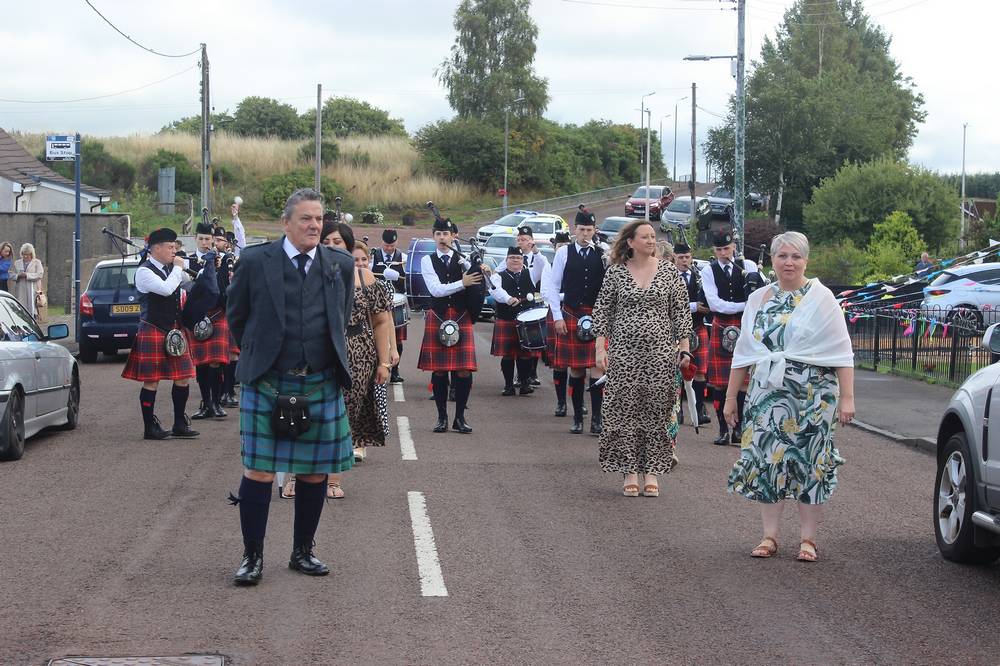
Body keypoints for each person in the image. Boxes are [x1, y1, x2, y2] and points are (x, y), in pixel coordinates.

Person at [226, 188, 355, 586]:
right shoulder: (254, 260)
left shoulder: (341, 264)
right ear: (286, 223)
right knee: (259, 471)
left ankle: (303, 551)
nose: (314, 225)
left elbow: (342, 315)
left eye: (318, 219)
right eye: (306, 219)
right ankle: (252, 557)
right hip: (267, 379)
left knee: (315, 473)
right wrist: (261, 355)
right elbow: (237, 316)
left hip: (318, 379)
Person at [725, 231, 855, 563]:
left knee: (810, 464)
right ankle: (769, 536)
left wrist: (847, 398)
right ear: (772, 260)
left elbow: (842, 352)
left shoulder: (822, 297)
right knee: (769, 461)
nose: (789, 262)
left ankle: (808, 540)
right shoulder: (758, 299)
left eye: (796, 256)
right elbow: (744, 353)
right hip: (766, 395)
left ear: (806, 260)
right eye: (782, 256)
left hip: (814, 398)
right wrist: (729, 399)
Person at [592, 220, 692, 497]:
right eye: (645, 237)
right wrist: (601, 349)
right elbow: (603, 314)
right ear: (630, 242)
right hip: (624, 353)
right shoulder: (615, 273)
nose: (651, 240)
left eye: (653, 236)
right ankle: (630, 472)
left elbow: (681, 313)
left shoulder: (670, 271)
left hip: (661, 354)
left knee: (657, 411)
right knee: (625, 411)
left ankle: (653, 472)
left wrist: (684, 349)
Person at [328, 236, 394, 497]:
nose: (334, 245)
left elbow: (381, 321)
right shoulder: (310, 272)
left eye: (338, 241)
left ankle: (333, 480)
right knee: (308, 412)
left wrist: (385, 361)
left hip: (357, 351)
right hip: (319, 348)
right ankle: (299, 477)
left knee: (343, 416)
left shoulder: (365, 277)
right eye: (328, 240)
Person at [121, 228, 200, 440]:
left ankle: (179, 423)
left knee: (183, 376)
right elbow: (166, 289)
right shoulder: (144, 271)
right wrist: (177, 268)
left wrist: (205, 270)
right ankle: (150, 426)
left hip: (174, 329)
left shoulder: (169, 268)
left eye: (175, 247)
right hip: (153, 329)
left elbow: (188, 285)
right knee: (152, 380)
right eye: (170, 247)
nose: (174, 251)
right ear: (156, 248)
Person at [541, 208, 606, 435]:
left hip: (598, 316)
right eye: (581, 230)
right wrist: (557, 317)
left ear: (594, 230)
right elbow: (553, 287)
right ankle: (577, 417)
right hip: (571, 313)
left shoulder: (603, 253)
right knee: (577, 371)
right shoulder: (563, 253)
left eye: (589, 230)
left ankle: (597, 419)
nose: (585, 234)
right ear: (574, 230)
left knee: (599, 367)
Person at [419, 217, 484, 434]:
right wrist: (462, 283)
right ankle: (441, 418)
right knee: (439, 371)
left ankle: (460, 417)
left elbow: (476, 276)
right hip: (438, 315)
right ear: (433, 236)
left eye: (445, 234)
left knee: (464, 370)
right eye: (438, 234)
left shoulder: (461, 259)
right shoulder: (427, 261)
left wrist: (480, 268)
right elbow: (436, 290)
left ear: (452, 236)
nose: (441, 238)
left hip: (460, 315)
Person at [700, 230, 758, 445]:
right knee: (719, 384)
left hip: (745, 326)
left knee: (743, 383)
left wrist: (746, 306)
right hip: (722, 323)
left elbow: (759, 295)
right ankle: (723, 430)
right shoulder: (709, 271)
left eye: (726, 248)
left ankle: (739, 428)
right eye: (719, 250)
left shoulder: (749, 266)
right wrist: (745, 305)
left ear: (733, 246)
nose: (724, 253)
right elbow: (715, 304)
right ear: (714, 251)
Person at [188, 222, 231, 420]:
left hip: (218, 314)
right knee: (202, 364)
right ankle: (205, 403)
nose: (205, 242)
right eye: (201, 239)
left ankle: (216, 401)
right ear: (195, 239)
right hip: (199, 316)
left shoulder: (224, 260)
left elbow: (225, 290)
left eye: (208, 239)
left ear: (213, 240)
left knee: (217, 362)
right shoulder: (189, 262)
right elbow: (187, 290)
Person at [488, 246, 541, 396]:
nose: (515, 260)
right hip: (507, 319)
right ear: (506, 260)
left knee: (525, 354)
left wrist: (536, 252)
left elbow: (542, 264)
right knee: (508, 355)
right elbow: (495, 290)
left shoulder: (531, 273)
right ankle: (508, 385)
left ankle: (524, 384)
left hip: (527, 321)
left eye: (518, 258)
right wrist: (507, 298)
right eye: (512, 258)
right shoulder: (498, 276)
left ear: (523, 260)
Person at [674, 241, 712, 426]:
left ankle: (699, 409)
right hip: (676, 331)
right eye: (681, 257)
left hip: (698, 327)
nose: (684, 261)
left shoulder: (699, 276)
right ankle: (677, 410)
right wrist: (694, 306)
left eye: (687, 257)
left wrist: (706, 306)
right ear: (674, 258)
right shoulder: (669, 278)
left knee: (700, 373)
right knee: (677, 371)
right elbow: (670, 305)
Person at [370, 228, 408, 384]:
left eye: (392, 245)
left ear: (396, 242)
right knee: (376, 338)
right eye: (386, 245)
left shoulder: (403, 259)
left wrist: (399, 277)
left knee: (397, 341)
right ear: (382, 242)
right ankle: (377, 368)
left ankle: (395, 371)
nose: (389, 248)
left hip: (396, 303)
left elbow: (408, 283)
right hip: (377, 305)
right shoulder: (373, 257)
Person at [515, 226, 548, 387]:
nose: (521, 242)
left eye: (525, 239)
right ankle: (520, 375)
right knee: (520, 341)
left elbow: (544, 266)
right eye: (519, 239)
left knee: (535, 340)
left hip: (536, 301)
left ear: (531, 241)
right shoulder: (514, 256)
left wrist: (536, 251)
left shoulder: (538, 258)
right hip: (519, 303)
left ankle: (532, 373)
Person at [8, 243, 44, 320]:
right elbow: (10, 273)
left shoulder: (37, 262)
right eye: (23, 254)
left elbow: (40, 274)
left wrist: (27, 275)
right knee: (21, 308)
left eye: (27, 254)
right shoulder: (17, 263)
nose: (25, 256)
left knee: (32, 307)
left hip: (32, 288)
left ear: (31, 254)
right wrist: (18, 276)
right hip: (20, 288)